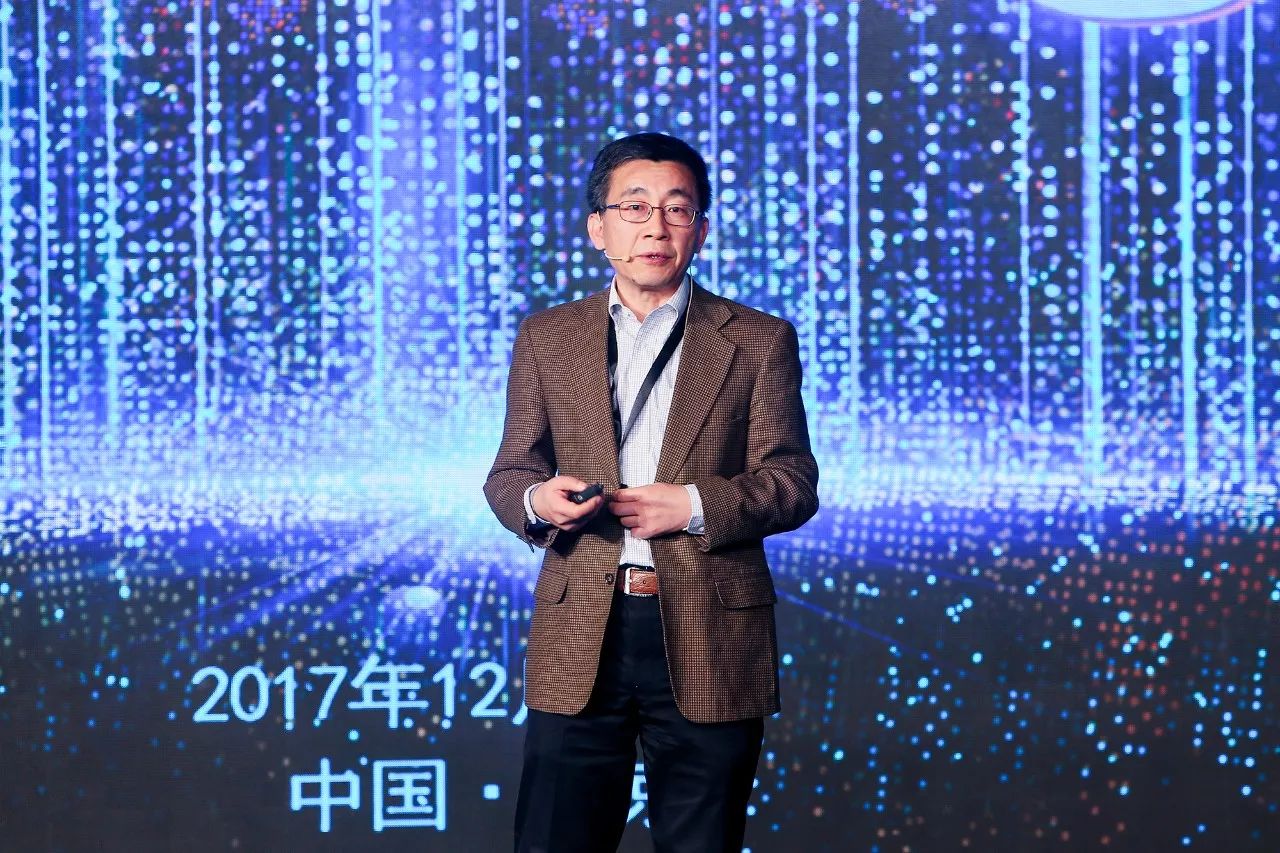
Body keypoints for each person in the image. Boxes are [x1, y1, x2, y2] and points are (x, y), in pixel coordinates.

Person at [484, 131, 819, 853]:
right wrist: (539, 502)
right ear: (597, 228)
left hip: (709, 627)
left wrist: (693, 506)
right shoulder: (547, 337)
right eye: (634, 207)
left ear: (701, 228)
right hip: (582, 628)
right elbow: (508, 474)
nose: (656, 227)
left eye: (677, 208)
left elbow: (792, 483)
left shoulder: (758, 339)